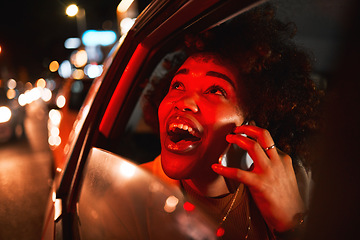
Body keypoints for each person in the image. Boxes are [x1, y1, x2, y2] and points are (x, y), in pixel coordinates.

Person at [142, 3, 322, 239]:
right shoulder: (133, 190)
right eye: (177, 85)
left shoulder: (296, 182)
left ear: (250, 121)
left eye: (215, 90)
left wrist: (292, 223)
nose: (184, 101)